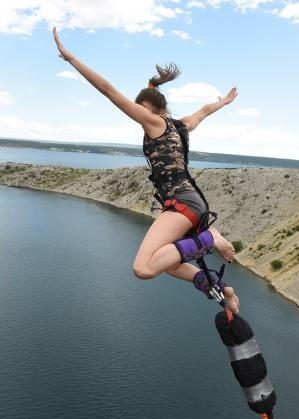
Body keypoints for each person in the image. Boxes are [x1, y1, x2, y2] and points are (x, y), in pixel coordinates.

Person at [53, 27, 240, 313]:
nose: (139, 117)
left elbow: (108, 90)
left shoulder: (155, 124)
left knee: (142, 267)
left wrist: (70, 58)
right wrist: (223, 102)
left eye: (141, 111)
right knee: (170, 264)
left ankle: (210, 238)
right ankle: (218, 287)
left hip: (182, 204)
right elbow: (203, 111)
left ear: (151, 109)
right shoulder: (182, 126)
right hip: (192, 202)